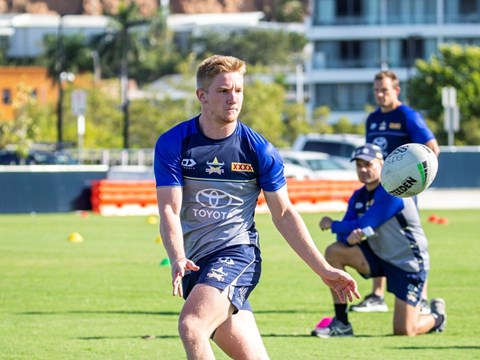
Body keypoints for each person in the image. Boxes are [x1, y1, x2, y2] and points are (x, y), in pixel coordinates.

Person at [153, 54, 360, 359]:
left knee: (192, 325)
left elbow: (285, 213)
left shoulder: (258, 149)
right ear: (202, 95)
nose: (232, 98)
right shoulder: (174, 143)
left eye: (238, 90)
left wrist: (323, 268)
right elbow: (169, 209)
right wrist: (177, 256)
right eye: (223, 91)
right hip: (195, 264)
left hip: (237, 255)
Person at [311, 143, 446, 338]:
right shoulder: (359, 195)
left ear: (383, 164)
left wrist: (332, 224)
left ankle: (437, 316)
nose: (363, 169)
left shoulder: (394, 192)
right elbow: (347, 233)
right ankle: (341, 322)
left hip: (407, 263)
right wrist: (348, 233)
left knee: (405, 331)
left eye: (368, 164)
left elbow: (366, 222)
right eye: (358, 165)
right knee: (334, 251)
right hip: (378, 256)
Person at [353, 70, 441, 314]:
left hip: (401, 192)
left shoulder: (407, 116)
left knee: (410, 243)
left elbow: (432, 149)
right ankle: (377, 295)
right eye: (377, 90)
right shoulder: (372, 119)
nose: (380, 95)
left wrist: (418, 181)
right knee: (374, 235)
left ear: (396, 90)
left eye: (385, 90)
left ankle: (421, 298)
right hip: (376, 189)